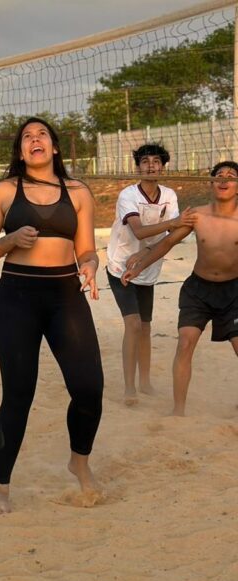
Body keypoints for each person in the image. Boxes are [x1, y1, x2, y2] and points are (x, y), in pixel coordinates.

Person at [0, 117, 104, 516]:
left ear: (55, 147)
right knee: (18, 394)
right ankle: (0, 486)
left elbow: (87, 248)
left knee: (89, 388)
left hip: (66, 295)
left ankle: (78, 460)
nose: (35, 139)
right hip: (16, 298)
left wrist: (92, 266)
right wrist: (9, 240)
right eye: (27, 136)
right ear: (20, 150)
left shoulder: (79, 192)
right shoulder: (4, 191)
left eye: (41, 134)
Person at [122, 161, 238, 416]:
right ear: (210, 183)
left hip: (234, 292)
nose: (223, 179)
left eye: (231, 176)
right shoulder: (197, 214)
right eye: (218, 175)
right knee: (185, 343)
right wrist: (140, 266)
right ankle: (179, 411)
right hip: (198, 289)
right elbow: (167, 243)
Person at [105, 144, 196, 405]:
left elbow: (174, 235)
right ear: (138, 167)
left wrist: (146, 254)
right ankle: (129, 388)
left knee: (145, 328)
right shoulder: (128, 195)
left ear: (163, 166)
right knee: (132, 325)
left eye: (156, 161)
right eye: (145, 161)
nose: (151, 166)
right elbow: (140, 231)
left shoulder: (168, 194)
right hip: (120, 266)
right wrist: (173, 223)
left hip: (148, 266)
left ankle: (145, 382)